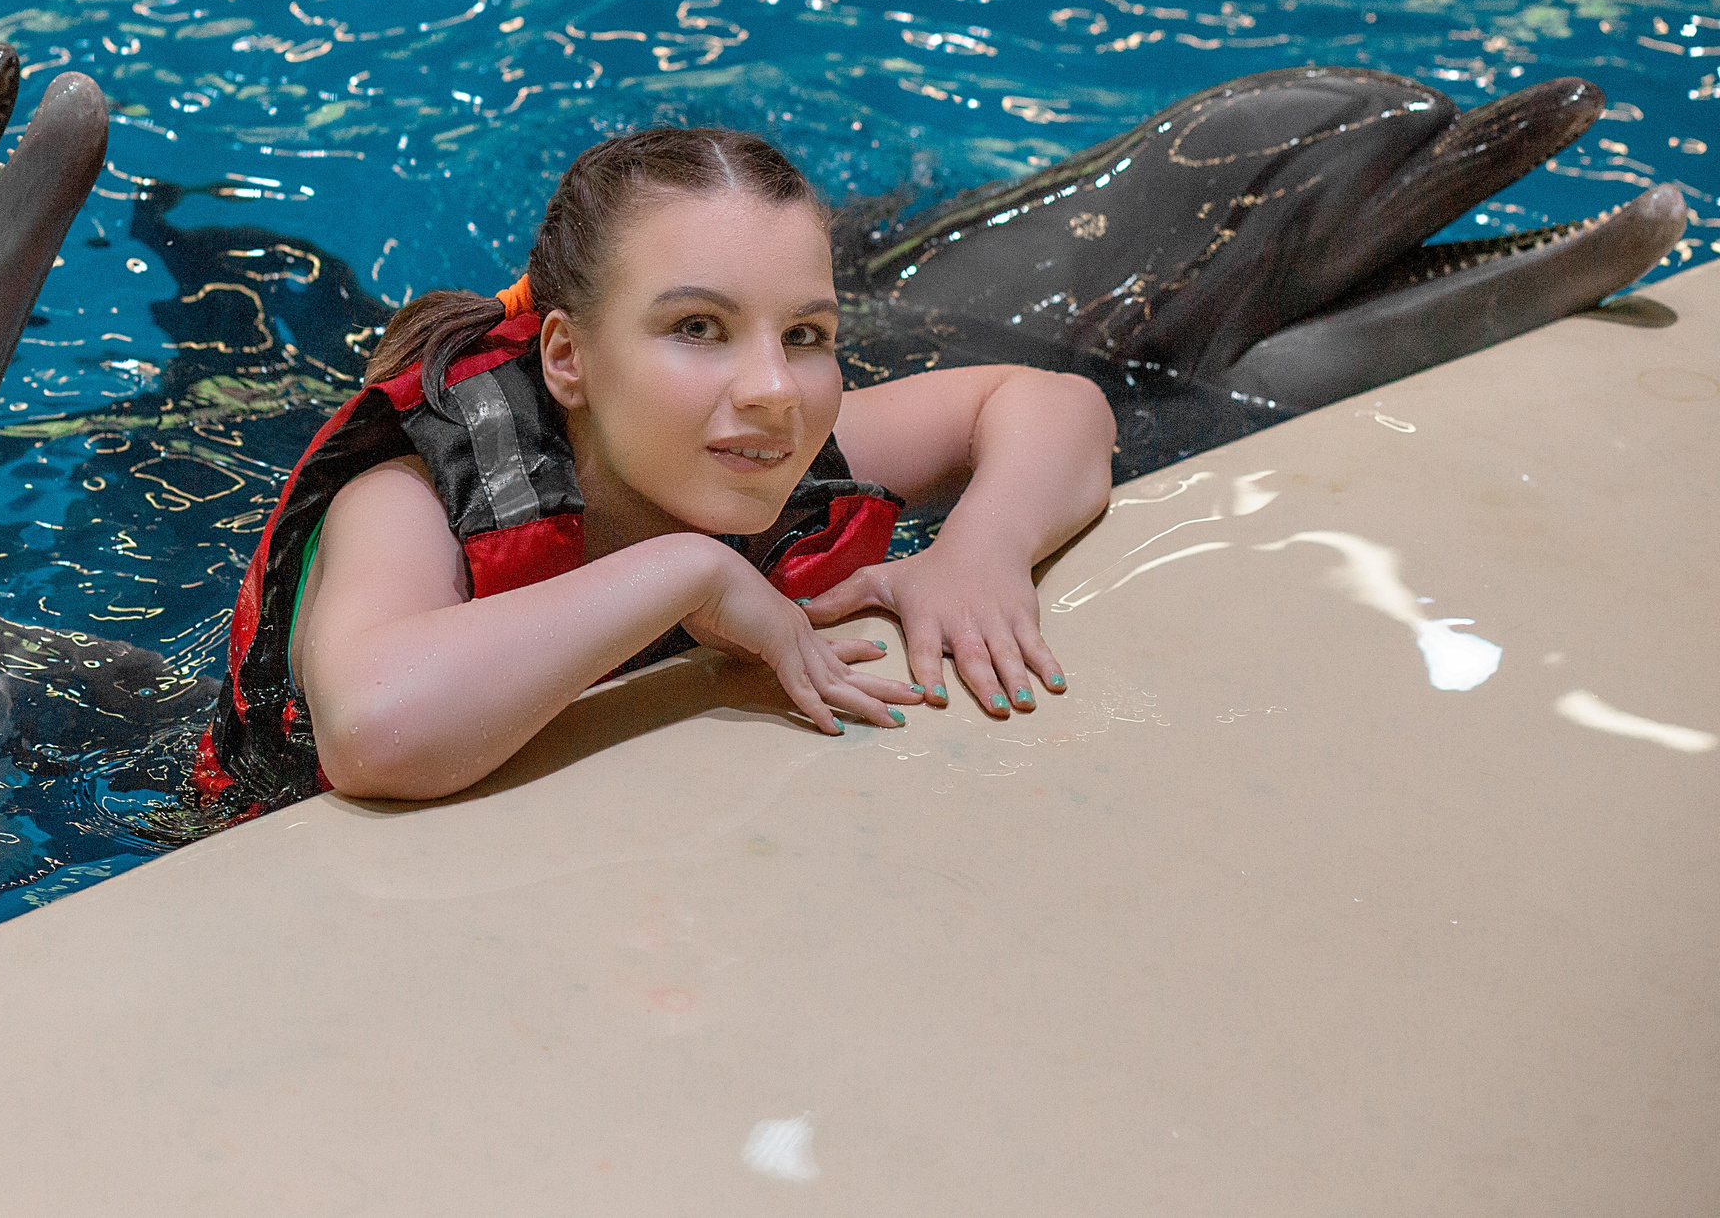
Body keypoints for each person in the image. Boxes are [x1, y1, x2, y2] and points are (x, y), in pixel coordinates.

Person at [189, 126, 1116, 818]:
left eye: (804, 333)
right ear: (568, 358)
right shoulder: (410, 502)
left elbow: (1060, 406)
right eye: (698, 328)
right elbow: (373, 729)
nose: (773, 389)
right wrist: (688, 572)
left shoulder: (767, 445)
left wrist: (981, 549)